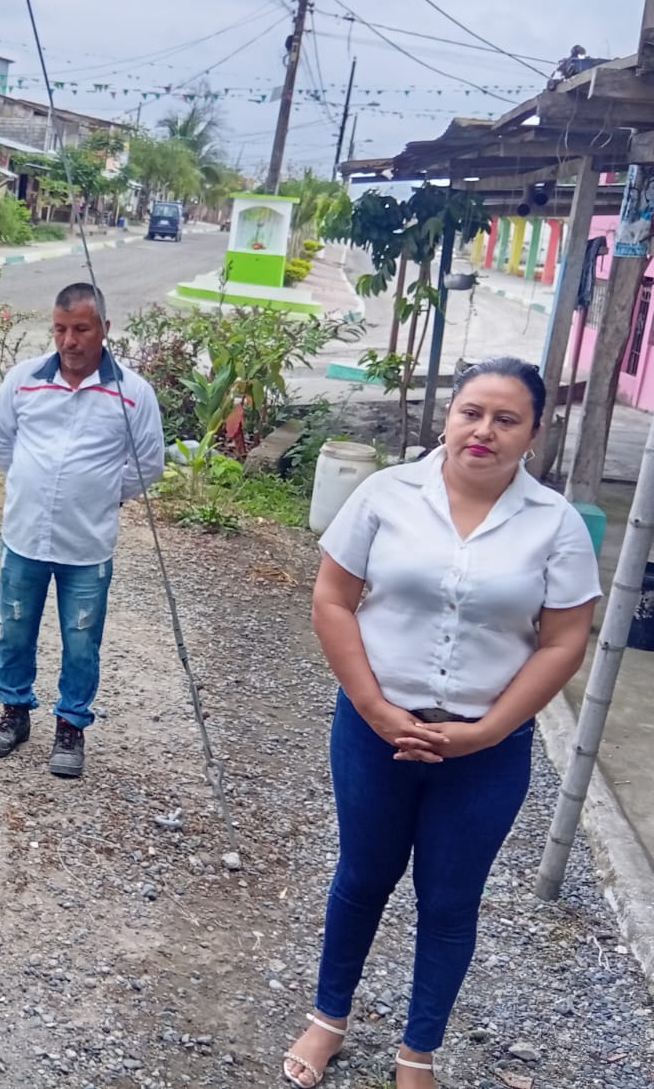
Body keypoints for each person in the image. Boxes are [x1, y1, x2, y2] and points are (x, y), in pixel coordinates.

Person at [283, 357, 600, 1089]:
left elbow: (563, 642)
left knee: (451, 900)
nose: (484, 431)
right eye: (471, 413)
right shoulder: (386, 494)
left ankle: (416, 1053)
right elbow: (332, 599)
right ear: (449, 418)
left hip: (486, 750)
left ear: (535, 433)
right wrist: (375, 707)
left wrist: (484, 732)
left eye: (506, 419)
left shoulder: (555, 524)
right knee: (363, 876)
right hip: (374, 733)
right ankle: (328, 1019)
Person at [0, 282, 165, 777]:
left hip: (87, 545)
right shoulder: (24, 380)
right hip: (24, 536)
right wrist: (31, 483)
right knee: (15, 630)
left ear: (104, 328)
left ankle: (70, 725)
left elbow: (148, 463)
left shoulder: (132, 393)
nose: (69, 341)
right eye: (60, 329)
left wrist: (100, 493)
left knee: (82, 642)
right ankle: (14, 712)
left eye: (80, 329)